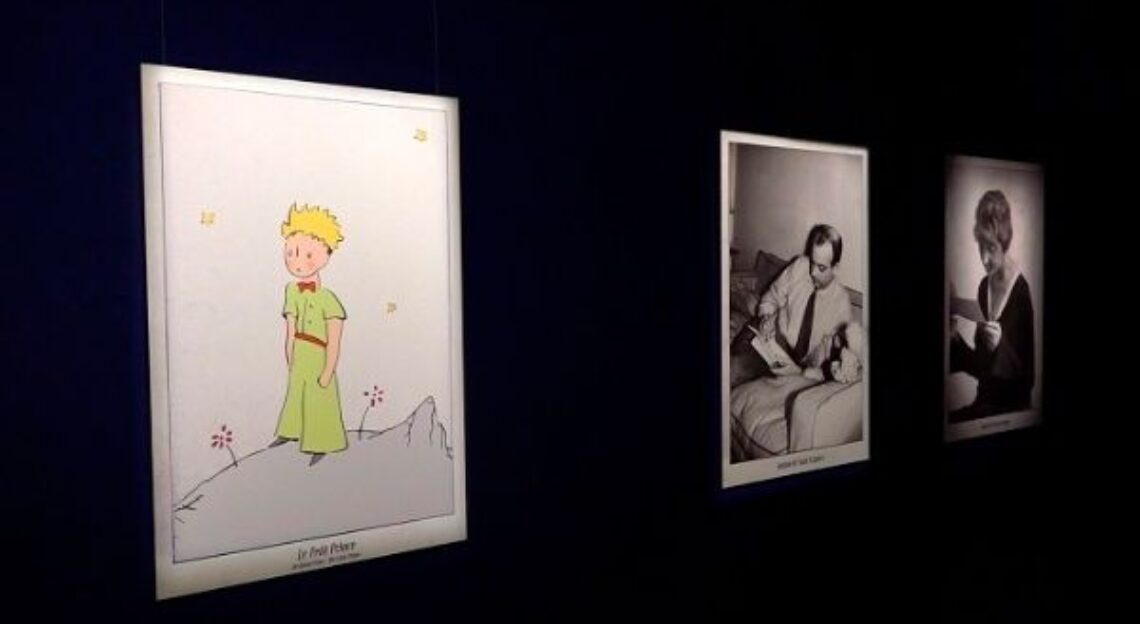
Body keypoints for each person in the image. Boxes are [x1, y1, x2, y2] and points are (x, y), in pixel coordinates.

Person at [270, 203, 349, 465]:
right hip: (300, 352)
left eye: (308, 255)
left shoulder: (329, 299)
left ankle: (322, 442)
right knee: (295, 393)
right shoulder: (291, 291)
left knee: (319, 395)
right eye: (291, 253)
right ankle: (290, 431)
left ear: (326, 254)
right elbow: (290, 327)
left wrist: (328, 369)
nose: (298, 262)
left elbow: (334, 339)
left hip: (319, 354)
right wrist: (289, 353)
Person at [730, 224, 854, 386]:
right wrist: (766, 316)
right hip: (766, 340)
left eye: (821, 267)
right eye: (812, 262)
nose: (812, 272)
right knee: (732, 371)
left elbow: (834, 362)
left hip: (789, 365)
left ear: (835, 268)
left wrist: (812, 370)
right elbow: (771, 297)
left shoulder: (841, 305)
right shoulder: (800, 266)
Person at [949, 190, 1035, 422]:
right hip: (983, 406)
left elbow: (1028, 382)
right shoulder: (983, 286)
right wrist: (954, 340)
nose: (984, 258)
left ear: (1004, 243)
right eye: (980, 247)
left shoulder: (1021, 292)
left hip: (1011, 414)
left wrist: (1000, 347)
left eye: (991, 247)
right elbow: (981, 369)